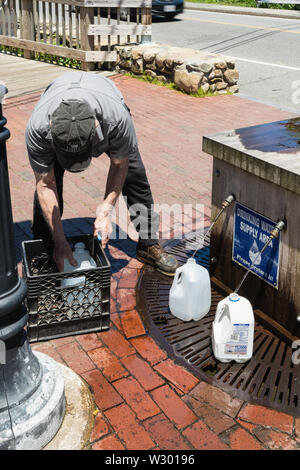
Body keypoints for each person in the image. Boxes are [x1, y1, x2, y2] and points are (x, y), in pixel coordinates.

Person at [25, 71, 178, 276]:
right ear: (51, 129)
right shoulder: (38, 128)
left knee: (134, 174)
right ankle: (44, 246)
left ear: (96, 128)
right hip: (58, 99)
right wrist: (60, 240)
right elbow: (45, 184)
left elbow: (119, 165)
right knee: (49, 180)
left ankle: (148, 243)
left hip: (104, 98)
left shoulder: (116, 120)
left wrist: (105, 211)